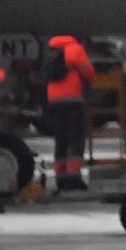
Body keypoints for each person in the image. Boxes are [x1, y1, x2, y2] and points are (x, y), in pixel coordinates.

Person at [42, 34, 96, 190]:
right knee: (76, 138)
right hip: (72, 99)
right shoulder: (75, 49)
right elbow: (88, 71)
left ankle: (60, 178)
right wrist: (92, 81)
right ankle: (73, 178)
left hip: (54, 100)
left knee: (61, 140)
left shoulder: (50, 51)